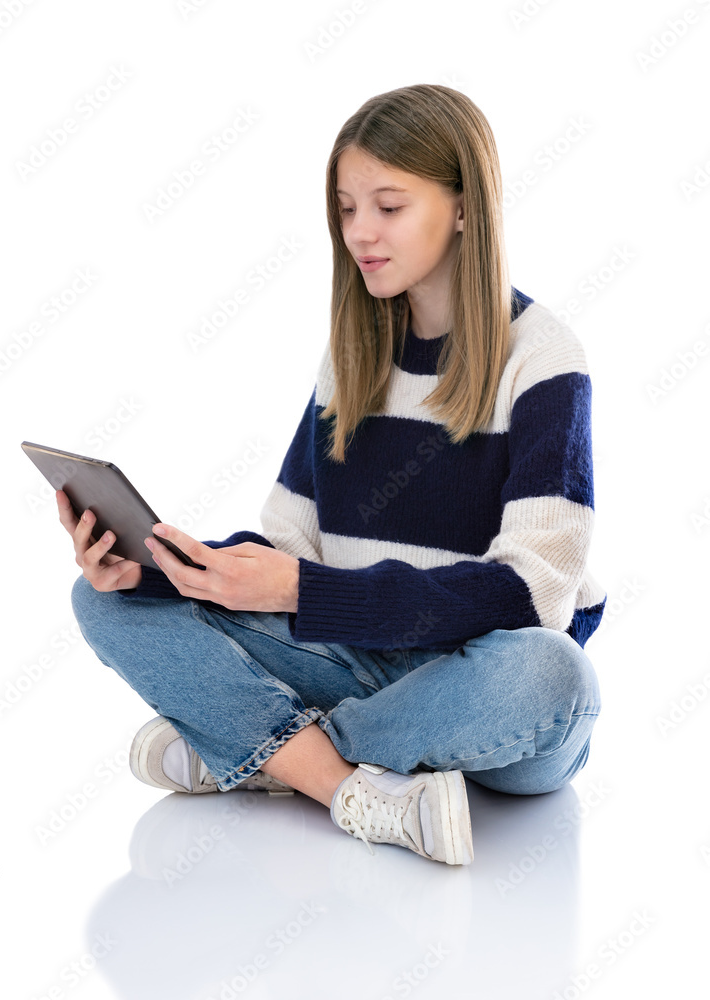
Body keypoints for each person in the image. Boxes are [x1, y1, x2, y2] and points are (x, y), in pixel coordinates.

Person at [62, 84, 605, 867]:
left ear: (463, 207)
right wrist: (151, 569)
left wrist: (301, 593)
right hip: (353, 660)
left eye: (388, 206)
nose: (360, 232)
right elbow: (287, 545)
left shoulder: (544, 357)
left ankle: (260, 754)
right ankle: (346, 787)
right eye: (346, 208)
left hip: (479, 675)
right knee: (101, 601)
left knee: (558, 679)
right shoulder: (353, 359)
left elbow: (535, 596)